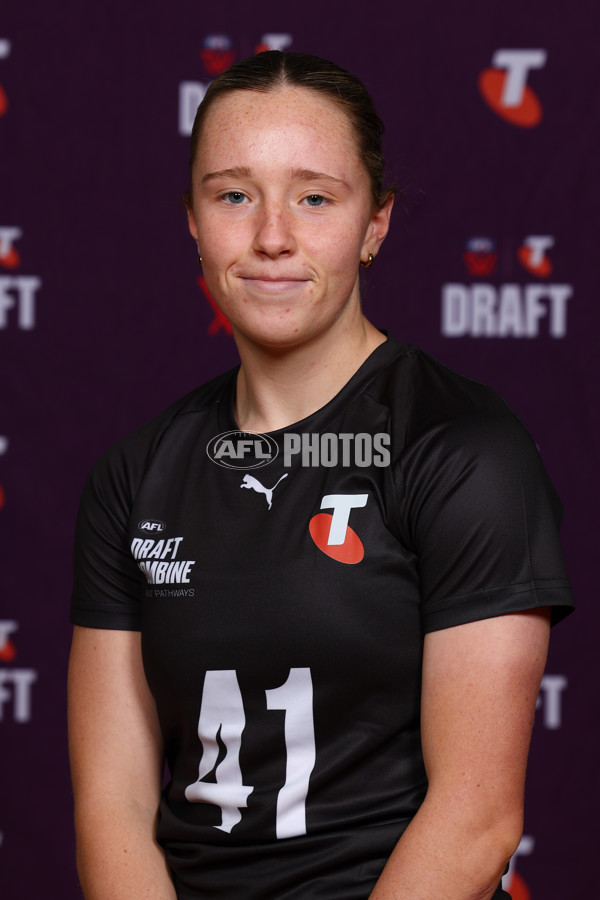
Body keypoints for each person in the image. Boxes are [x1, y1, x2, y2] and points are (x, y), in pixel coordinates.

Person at [68, 51, 573, 899]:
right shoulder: (132, 478)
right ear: (192, 219)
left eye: (314, 197)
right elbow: (111, 804)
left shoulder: (462, 451)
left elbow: (477, 818)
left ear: (375, 225)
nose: (272, 236)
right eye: (233, 195)